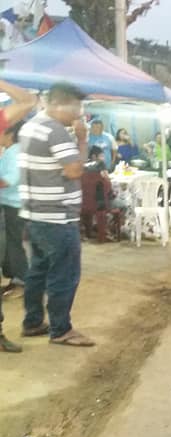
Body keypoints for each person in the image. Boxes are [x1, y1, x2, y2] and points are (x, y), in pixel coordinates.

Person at [18, 82, 95, 347]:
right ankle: (61, 329)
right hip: (57, 217)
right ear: (61, 104)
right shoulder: (55, 130)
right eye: (77, 107)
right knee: (64, 274)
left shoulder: (30, 126)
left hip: (35, 214)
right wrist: (82, 140)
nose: (79, 114)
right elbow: (74, 170)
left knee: (38, 270)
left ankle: (32, 321)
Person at [0, 121, 28, 293]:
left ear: (10, 134)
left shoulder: (15, 152)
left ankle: (22, 279)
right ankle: (15, 277)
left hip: (14, 204)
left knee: (13, 243)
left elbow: (10, 179)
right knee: (10, 242)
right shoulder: (10, 151)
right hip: (10, 202)